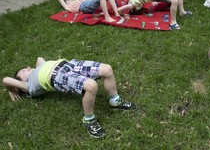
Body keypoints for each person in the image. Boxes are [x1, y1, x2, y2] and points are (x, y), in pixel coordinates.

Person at [2, 57, 136, 138]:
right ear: (21, 82)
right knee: (91, 86)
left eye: (27, 68)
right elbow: (6, 80)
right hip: (56, 76)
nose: (27, 68)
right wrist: (13, 90)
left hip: (70, 65)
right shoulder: (27, 85)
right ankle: (89, 120)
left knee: (107, 69)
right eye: (23, 71)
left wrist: (35, 69)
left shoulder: (36, 70)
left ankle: (115, 101)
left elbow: (39, 59)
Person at [117, 0, 192, 30]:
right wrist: (125, 15)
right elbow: (119, 10)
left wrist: (124, 14)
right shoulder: (133, 4)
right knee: (175, 0)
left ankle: (182, 12)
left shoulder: (132, 4)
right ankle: (173, 23)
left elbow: (119, 10)